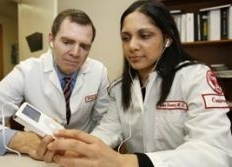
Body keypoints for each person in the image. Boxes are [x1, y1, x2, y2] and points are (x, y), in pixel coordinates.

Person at [45, 1, 232, 167]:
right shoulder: (119, 88)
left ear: (167, 39)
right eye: (126, 38)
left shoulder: (195, 76)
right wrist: (77, 148)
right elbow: (107, 131)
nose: (132, 46)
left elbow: (214, 152)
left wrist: (126, 162)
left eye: (144, 35)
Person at [0, 9, 109, 160]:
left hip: (83, 158)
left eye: (84, 46)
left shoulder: (99, 72)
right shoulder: (26, 71)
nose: (75, 53)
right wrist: (25, 142)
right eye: (67, 42)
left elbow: (106, 122)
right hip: (40, 158)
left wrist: (84, 149)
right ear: (52, 39)